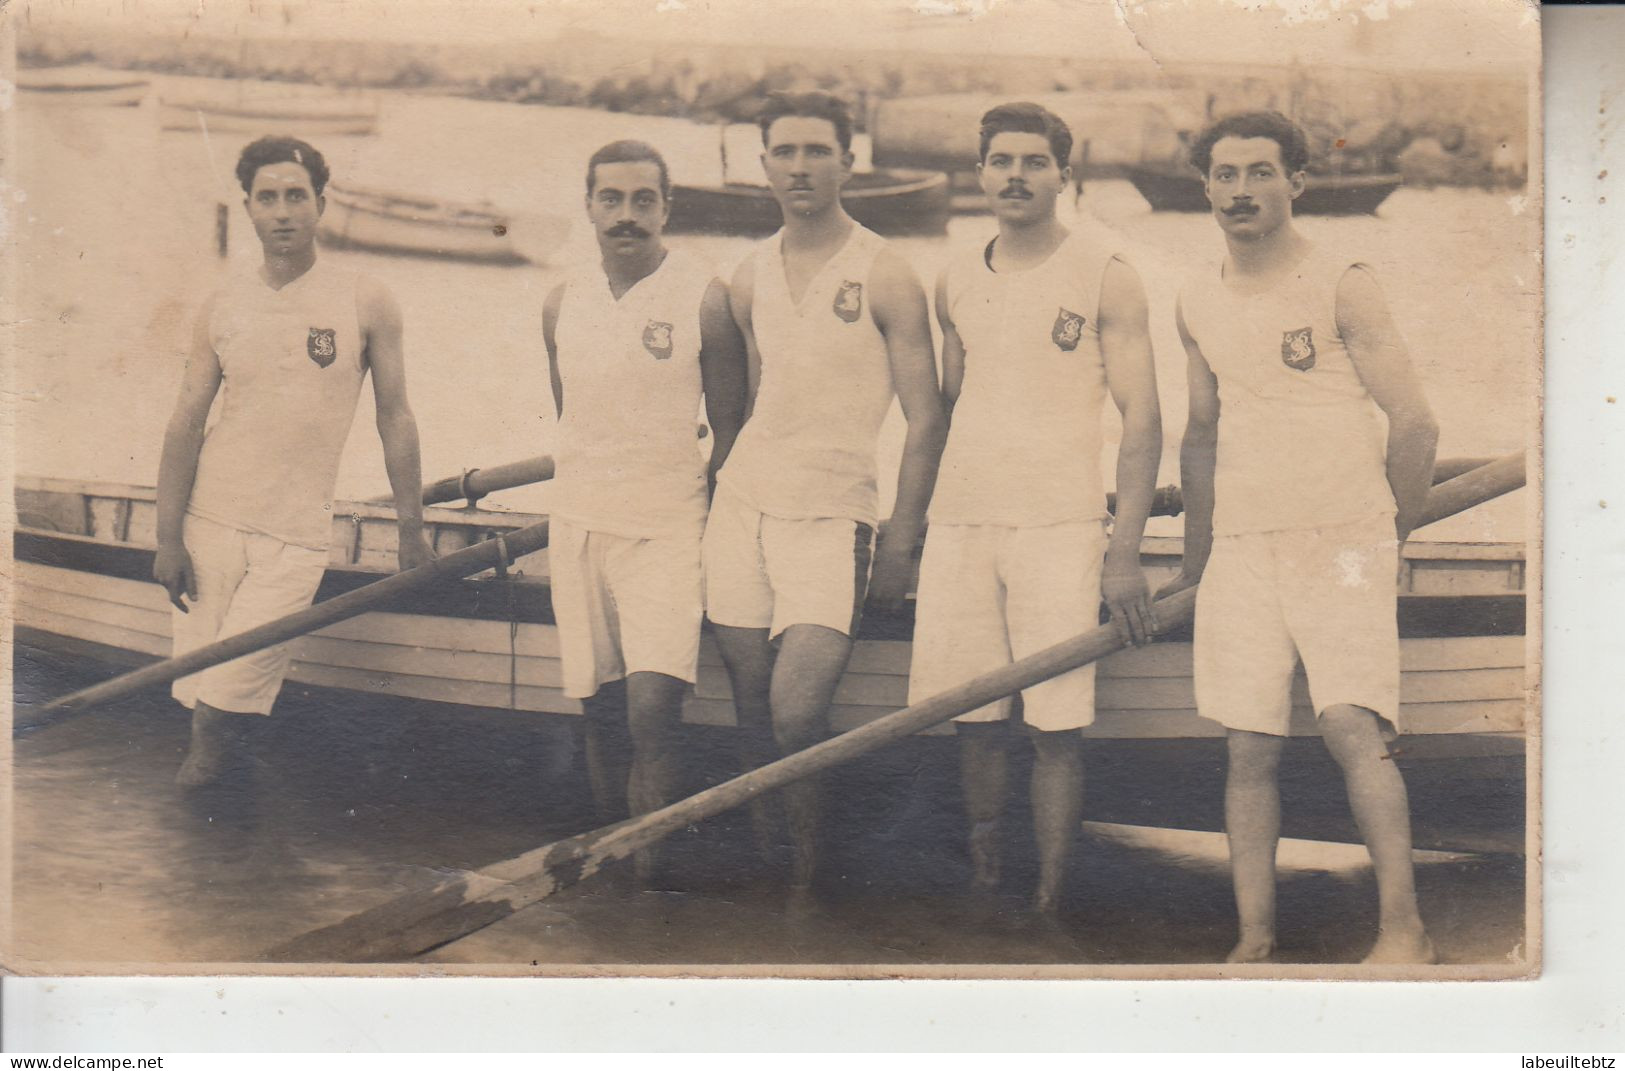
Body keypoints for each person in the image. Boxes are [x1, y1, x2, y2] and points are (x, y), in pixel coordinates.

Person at [1157, 111, 1440, 964]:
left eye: (1259, 172)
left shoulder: (1339, 281)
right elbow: (1199, 438)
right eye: (1225, 175)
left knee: (1352, 727)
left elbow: (1415, 425)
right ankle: (1254, 938)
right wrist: (1196, 564)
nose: (1241, 191)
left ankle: (1404, 932)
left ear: (1295, 183)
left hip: (1341, 536)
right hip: (1244, 547)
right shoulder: (1195, 297)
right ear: (1205, 187)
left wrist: (1384, 539)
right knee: (1247, 747)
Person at [907, 103, 1162, 916]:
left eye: (1032, 161)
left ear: (1063, 174)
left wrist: (1122, 555)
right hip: (963, 524)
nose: (1014, 175)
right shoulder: (954, 273)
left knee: (1056, 725)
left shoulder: (1105, 270)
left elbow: (1144, 421)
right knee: (973, 717)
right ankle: (986, 881)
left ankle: (1050, 896)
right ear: (979, 172)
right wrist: (905, 533)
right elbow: (943, 413)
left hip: (1059, 526)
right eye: (999, 161)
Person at [702, 91, 948, 893]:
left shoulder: (885, 271)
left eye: (817, 150)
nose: (800, 166)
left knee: (795, 714)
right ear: (763, 161)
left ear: (849, 159)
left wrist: (900, 538)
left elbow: (924, 418)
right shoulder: (746, 275)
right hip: (743, 508)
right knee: (746, 711)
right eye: (784, 151)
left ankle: (807, 882)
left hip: (833, 515)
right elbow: (737, 413)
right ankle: (767, 869)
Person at [154, 136, 434, 787]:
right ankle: (223, 868)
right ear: (248, 208)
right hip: (210, 526)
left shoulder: (365, 299)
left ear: (321, 205)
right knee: (210, 706)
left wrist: (412, 529)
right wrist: (168, 538)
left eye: (296, 197)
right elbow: (185, 424)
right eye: (268, 198)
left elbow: (394, 416)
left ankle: (205, 845)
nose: (283, 212)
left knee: (216, 721)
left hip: (296, 539)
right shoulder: (220, 305)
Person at [542, 140, 747, 879]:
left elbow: (729, 430)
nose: (625, 217)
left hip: (666, 529)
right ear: (589, 204)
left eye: (642, 201)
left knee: (651, 715)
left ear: (667, 207)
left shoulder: (704, 297)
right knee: (598, 713)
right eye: (610, 199)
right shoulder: (562, 300)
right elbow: (574, 419)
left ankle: (650, 882)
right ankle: (610, 877)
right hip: (578, 525)